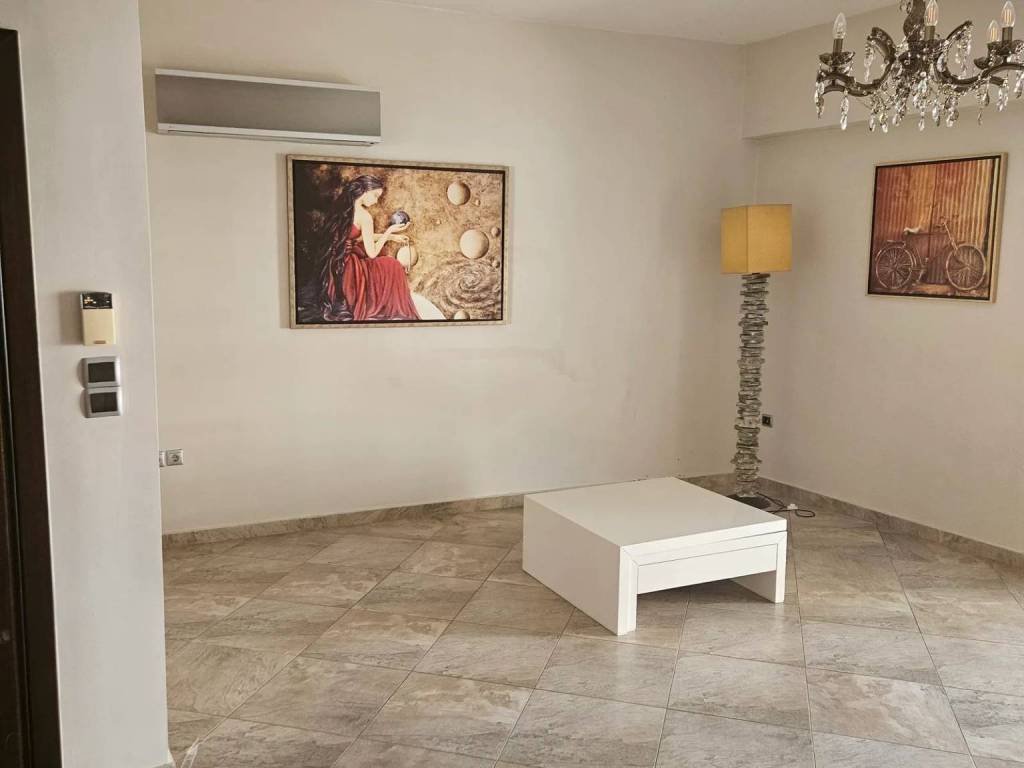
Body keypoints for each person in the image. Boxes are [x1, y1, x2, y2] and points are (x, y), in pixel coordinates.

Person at [319, 175, 419, 322]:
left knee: (372, 253)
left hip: (335, 265)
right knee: (392, 265)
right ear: (365, 191)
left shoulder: (343, 208)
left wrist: (391, 237)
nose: (376, 201)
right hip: (350, 269)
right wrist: (389, 231)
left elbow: (358, 238)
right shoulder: (365, 217)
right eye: (375, 195)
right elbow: (372, 253)